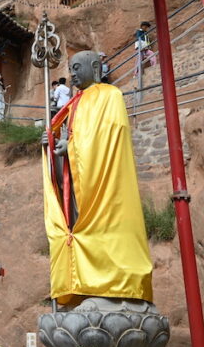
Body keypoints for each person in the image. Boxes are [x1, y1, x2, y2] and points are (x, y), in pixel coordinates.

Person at [40, 51, 153, 305]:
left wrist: (71, 146)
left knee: (107, 226)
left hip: (106, 181)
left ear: (95, 67)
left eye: (78, 67)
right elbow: (69, 150)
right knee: (76, 222)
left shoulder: (110, 96)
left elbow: (107, 135)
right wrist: (53, 147)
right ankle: (84, 284)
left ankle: (111, 285)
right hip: (81, 182)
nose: (73, 74)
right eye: (71, 69)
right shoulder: (73, 105)